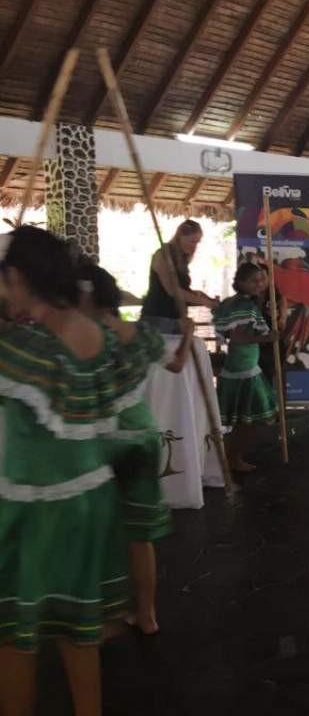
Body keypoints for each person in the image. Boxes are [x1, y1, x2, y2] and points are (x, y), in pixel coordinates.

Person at [0, 227, 156, 716]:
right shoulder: (97, 331)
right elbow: (147, 344)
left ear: (18, 277)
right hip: (91, 499)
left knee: (15, 635)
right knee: (77, 632)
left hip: (36, 507)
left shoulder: (26, 347)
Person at [77, 263, 193, 636]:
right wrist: (187, 336)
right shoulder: (140, 334)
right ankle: (147, 614)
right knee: (139, 536)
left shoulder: (82, 338)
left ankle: (102, 618)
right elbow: (176, 365)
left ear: (86, 296)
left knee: (100, 532)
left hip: (102, 440)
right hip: (143, 436)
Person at [213, 264, 280, 472]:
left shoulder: (242, 303)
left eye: (262, 279)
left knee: (245, 419)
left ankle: (231, 457)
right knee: (247, 420)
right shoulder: (242, 306)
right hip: (243, 370)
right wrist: (266, 338)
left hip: (243, 366)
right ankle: (231, 457)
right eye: (254, 280)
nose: (260, 284)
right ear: (241, 283)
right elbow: (237, 338)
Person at [140, 219, 219, 333]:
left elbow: (182, 290)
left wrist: (202, 297)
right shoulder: (163, 254)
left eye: (197, 242)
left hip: (177, 317)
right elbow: (172, 290)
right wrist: (204, 302)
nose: (194, 247)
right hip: (158, 317)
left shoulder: (182, 259)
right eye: (191, 241)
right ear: (180, 237)